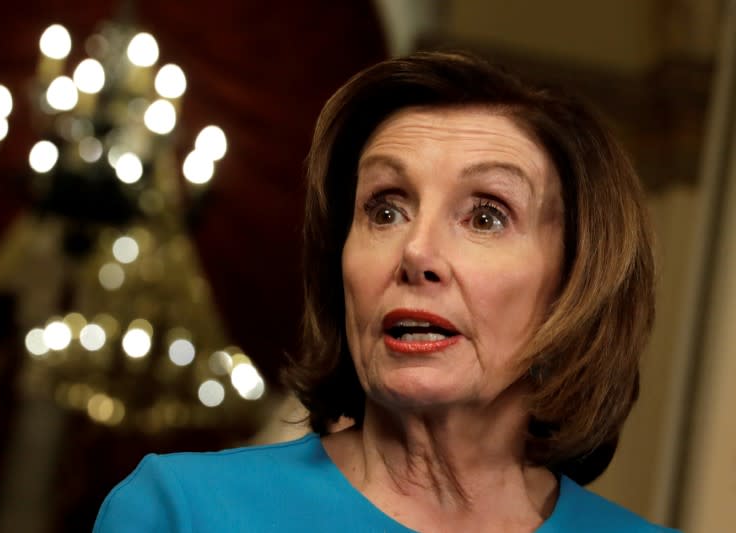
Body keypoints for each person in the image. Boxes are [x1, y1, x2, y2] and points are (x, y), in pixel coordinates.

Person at [93, 51, 679, 532]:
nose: (417, 254)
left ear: (575, 282)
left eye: (486, 217)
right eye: (386, 209)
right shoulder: (182, 511)